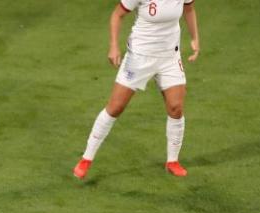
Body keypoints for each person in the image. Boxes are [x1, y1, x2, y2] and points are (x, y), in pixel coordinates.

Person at [72, 0, 200, 179]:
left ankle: (173, 161)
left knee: (176, 107)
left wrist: (195, 39)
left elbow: (189, 9)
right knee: (115, 107)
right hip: (139, 57)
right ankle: (86, 159)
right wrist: (114, 46)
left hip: (169, 57)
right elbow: (117, 14)